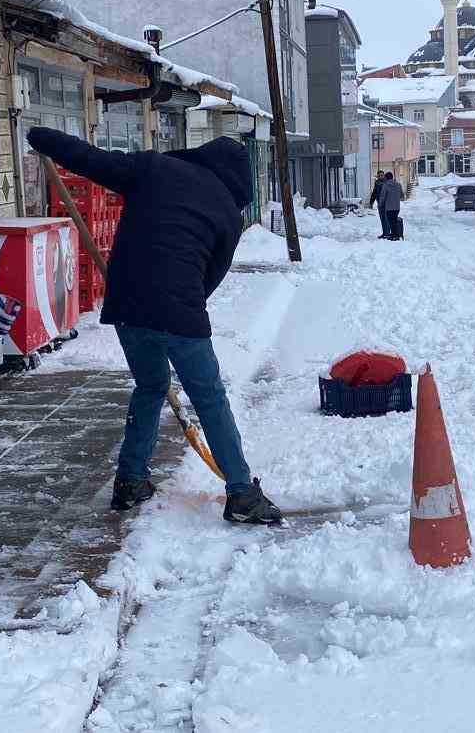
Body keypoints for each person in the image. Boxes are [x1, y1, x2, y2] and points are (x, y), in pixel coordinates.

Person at [27, 126, 283, 525]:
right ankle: (242, 494)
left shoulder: (153, 169)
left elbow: (91, 160)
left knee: (150, 386)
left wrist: (42, 138)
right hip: (180, 311)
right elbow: (211, 276)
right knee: (209, 398)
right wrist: (181, 306)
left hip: (127, 306)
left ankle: (130, 481)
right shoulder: (228, 213)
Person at [378, 171, 404, 241]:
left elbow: (383, 196)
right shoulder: (398, 184)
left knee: (391, 222)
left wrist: (380, 204)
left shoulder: (385, 185)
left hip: (389, 207)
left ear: (386, 178)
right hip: (397, 207)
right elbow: (402, 196)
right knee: (394, 220)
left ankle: (394, 235)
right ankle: (394, 235)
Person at [365, 171, 389, 239]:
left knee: (386, 219)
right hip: (380, 204)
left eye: (381, 175)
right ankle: (384, 233)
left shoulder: (387, 182)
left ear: (384, 175)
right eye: (379, 176)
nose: (380, 177)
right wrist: (371, 202)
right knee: (382, 219)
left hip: (387, 203)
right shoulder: (377, 183)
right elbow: (374, 193)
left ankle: (387, 233)